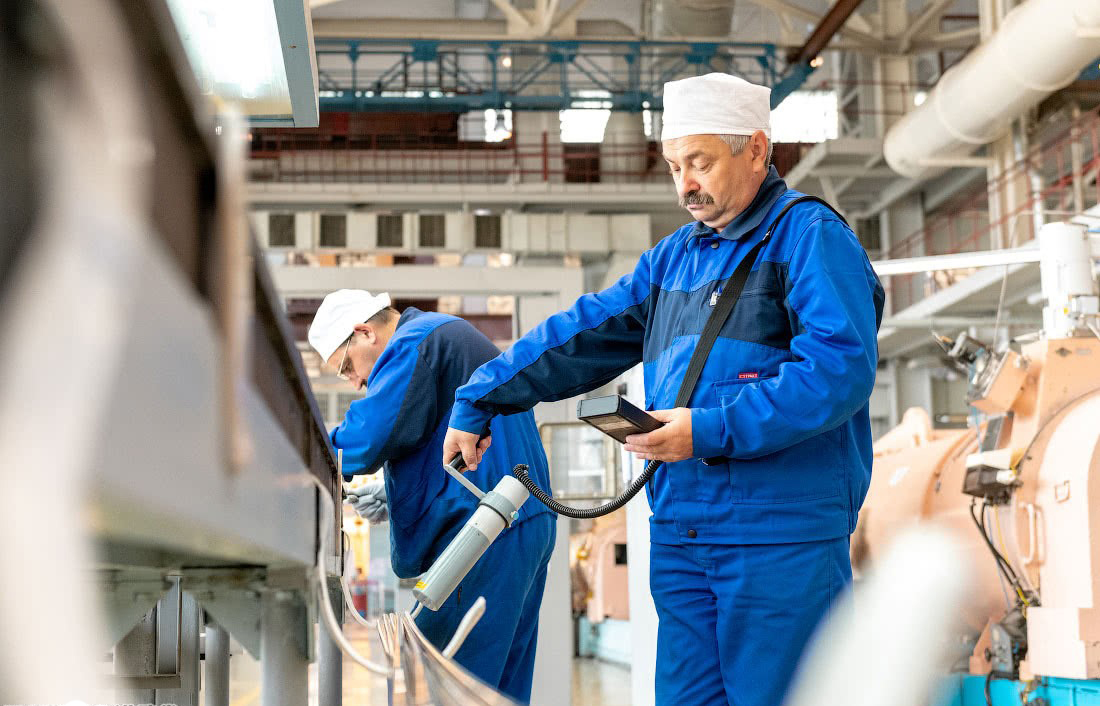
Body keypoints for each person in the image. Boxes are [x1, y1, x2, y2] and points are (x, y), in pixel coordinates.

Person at [444, 72, 885, 706]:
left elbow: (837, 370)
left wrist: (705, 430)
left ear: (758, 149)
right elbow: (581, 334)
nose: (685, 184)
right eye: (674, 165)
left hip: (777, 539)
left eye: (700, 162)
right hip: (683, 534)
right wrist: (481, 396)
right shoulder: (675, 258)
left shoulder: (810, 238)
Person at [308, 290, 555, 703]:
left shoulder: (415, 340)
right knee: (498, 688)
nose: (356, 382)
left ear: (364, 332)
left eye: (347, 367)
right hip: (521, 521)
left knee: (447, 683)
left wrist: (312, 454)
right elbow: (435, 432)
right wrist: (393, 491)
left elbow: (368, 438)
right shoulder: (444, 337)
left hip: (483, 531)